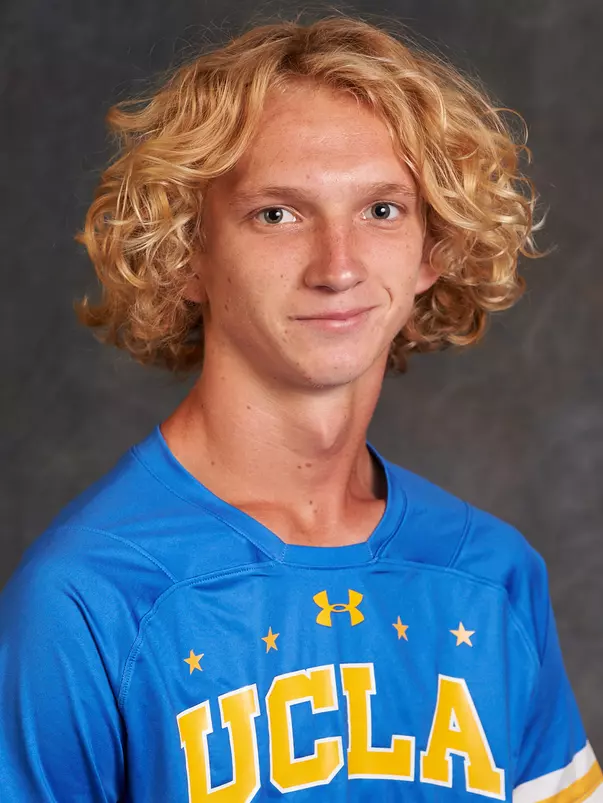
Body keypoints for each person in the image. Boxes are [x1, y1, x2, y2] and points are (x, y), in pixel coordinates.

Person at [0, 14, 599, 802]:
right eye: (277, 214)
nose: (337, 266)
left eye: (380, 210)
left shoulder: (489, 575)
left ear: (433, 247)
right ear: (185, 254)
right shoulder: (90, 594)